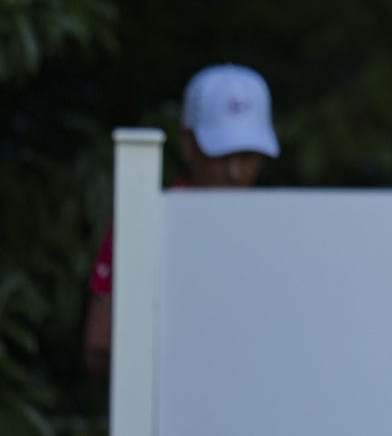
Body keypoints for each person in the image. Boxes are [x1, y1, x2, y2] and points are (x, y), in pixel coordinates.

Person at [82, 63, 280, 376]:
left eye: (248, 155)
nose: (235, 172)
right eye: (221, 154)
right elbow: (99, 344)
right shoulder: (142, 222)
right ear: (188, 143)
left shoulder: (282, 228)